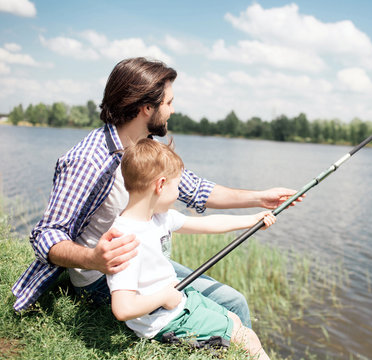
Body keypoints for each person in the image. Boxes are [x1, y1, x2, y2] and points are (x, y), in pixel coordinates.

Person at [11, 57, 300, 329]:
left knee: (233, 301)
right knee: (228, 312)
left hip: (145, 263)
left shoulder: (146, 150)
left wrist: (260, 198)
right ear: (146, 108)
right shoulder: (89, 160)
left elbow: (195, 190)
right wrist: (93, 259)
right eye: (169, 102)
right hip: (103, 279)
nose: (172, 110)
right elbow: (47, 234)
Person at [108, 138, 273, 359]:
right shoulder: (126, 239)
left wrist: (253, 219)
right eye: (176, 187)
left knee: (235, 319)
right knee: (247, 339)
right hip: (165, 320)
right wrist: (164, 297)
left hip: (181, 301)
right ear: (160, 185)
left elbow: (208, 224)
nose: (178, 194)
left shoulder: (159, 218)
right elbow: (123, 309)